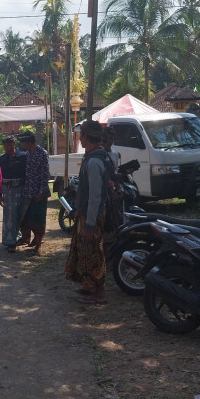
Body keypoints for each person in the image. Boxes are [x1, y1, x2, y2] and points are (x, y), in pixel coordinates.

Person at [65, 120, 112, 304]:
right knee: (86, 251)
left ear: (86, 137)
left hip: (91, 214)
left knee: (93, 252)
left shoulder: (94, 162)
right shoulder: (96, 157)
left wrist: (90, 223)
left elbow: (94, 196)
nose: (80, 139)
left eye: (81, 135)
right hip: (87, 213)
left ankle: (98, 292)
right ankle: (90, 286)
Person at [17, 130, 50, 254]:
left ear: (29, 142)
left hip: (39, 193)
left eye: (23, 142)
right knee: (27, 218)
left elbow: (45, 173)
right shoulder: (27, 154)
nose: (22, 145)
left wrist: (41, 191)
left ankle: (38, 245)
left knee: (39, 218)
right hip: (28, 191)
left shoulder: (42, 153)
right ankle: (32, 239)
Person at [0, 135, 28, 252]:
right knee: (8, 215)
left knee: (19, 214)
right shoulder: (2, 159)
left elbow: (26, 174)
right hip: (7, 190)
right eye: (5, 145)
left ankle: (19, 238)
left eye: (9, 144)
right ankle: (9, 241)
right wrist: (0, 195)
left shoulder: (23, 156)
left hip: (20, 188)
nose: (7, 147)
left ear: (14, 144)